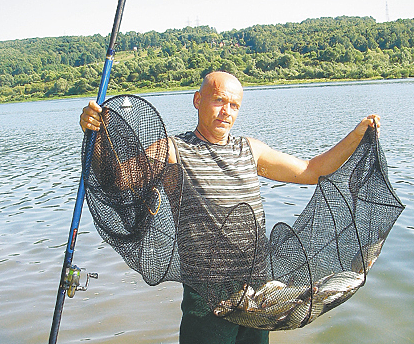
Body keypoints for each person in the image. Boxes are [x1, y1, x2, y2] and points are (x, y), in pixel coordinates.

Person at [80, 71, 380, 344]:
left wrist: (356, 136)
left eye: (234, 105)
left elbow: (311, 171)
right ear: (198, 100)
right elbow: (119, 181)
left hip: (259, 291)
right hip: (207, 297)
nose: (226, 111)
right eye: (219, 100)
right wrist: (97, 135)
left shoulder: (249, 149)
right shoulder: (173, 149)